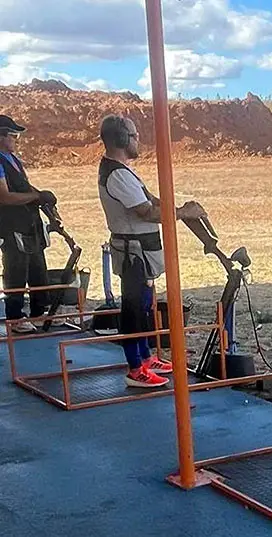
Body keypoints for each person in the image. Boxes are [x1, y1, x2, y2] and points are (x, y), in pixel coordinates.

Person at [97, 114, 207, 388]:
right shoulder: (117, 174)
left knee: (144, 305)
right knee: (134, 308)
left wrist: (176, 207)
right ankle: (136, 368)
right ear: (123, 139)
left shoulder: (120, 170)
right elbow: (145, 211)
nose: (138, 140)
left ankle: (145, 358)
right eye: (134, 136)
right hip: (134, 251)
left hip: (140, 251)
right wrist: (181, 212)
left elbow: (150, 199)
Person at [0, 115, 62, 333]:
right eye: (13, 135)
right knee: (16, 270)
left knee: (37, 266)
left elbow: (24, 187)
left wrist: (42, 196)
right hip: (10, 225)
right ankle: (15, 317)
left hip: (28, 222)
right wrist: (34, 197)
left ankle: (38, 311)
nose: (16, 140)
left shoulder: (13, 160)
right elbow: (4, 197)